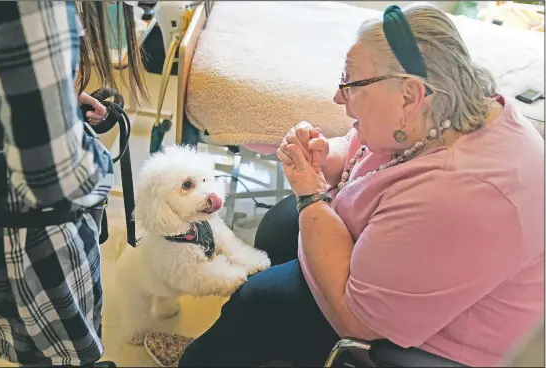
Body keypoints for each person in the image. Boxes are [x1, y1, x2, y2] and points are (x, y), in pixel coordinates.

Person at [144, 4, 544, 368]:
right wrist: (324, 157)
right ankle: (241, 347)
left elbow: (360, 320)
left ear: (409, 95)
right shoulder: (442, 111)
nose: (338, 96)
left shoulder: (468, 195)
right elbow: (365, 148)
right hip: (400, 254)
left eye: (351, 83)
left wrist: (311, 195)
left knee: (259, 300)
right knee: (282, 225)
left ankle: (214, 353)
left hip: (424, 338)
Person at [0, 1, 145, 366]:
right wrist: (90, 151)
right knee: (63, 354)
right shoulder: (32, 6)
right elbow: (54, 182)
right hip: (32, 238)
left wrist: (61, 108)